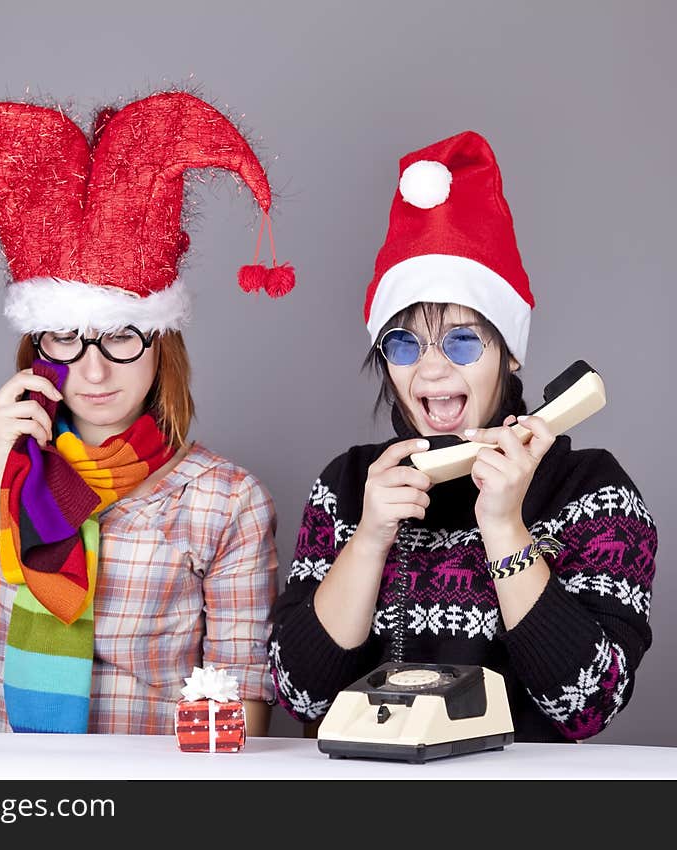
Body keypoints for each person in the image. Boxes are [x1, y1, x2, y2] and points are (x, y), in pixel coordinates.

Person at [0, 91, 296, 735]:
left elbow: (240, 706)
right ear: (37, 345)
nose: (93, 370)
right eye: (66, 339)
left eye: (122, 335)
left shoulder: (225, 499)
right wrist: (0, 477)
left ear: (164, 346)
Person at [268, 131, 656, 742]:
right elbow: (298, 694)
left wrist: (504, 527)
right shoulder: (348, 486)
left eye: (462, 340)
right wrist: (369, 539)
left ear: (511, 355)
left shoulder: (593, 489)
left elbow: (588, 704)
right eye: (403, 344)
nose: (430, 369)